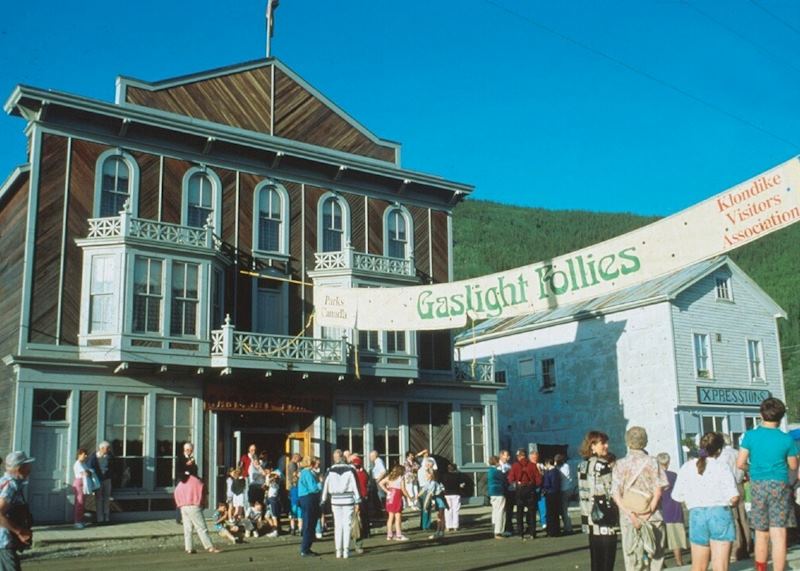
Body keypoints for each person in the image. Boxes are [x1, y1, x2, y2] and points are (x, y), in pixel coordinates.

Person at [736, 397, 799, 571]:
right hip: (779, 484)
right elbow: (793, 465)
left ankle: (761, 568)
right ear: (781, 417)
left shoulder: (750, 436)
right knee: (779, 533)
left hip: (758, 484)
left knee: (761, 532)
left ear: (761, 415)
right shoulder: (786, 439)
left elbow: (740, 463)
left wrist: (754, 468)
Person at [672, 432, 739, 571]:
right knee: (720, 565)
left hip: (697, 514)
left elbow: (677, 496)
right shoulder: (722, 467)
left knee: (698, 566)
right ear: (719, 450)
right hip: (719, 513)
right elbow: (733, 497)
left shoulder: (687, 467)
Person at [612, 426, 667, 571]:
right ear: (646, 442)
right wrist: (649, 511)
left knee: (633, 559)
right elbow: (659, 490)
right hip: (653, 515)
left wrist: (630, 513)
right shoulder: (653, 462)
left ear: (627, 442)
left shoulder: (620, 464)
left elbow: (616, 494)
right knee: (656, 555)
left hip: (629, 517)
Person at [578, 431, 619, 571]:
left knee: (595, 560)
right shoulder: (603, 465)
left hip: (590, 518)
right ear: (593, 446)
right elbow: (611, 491)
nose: (607, 446)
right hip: (604, 517)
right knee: (607, 560)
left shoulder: (581, 466)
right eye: (603, 443)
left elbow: (583, 492)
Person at [322, 451, 361, 559]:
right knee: (347, 525)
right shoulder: (351, 470)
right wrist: (358, 500)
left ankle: (338, 551)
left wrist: (323, 500)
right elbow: (355, 486)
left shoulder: (329, 471)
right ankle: (346, 551)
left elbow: (325, 486)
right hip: (348, 499)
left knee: (337, 525)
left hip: (335, 500)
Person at [173, 466, 221, 555]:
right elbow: (203, 491)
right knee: (201, 527)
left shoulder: (181, 482)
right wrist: (202, 503)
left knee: (187, 529)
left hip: (183, 507)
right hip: (194, 506)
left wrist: (179, 503)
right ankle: (209, 547)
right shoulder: (196, 480)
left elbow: (176, 492)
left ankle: (189, 548)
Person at [0, 451, 35, 571]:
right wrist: (19, 531)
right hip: (3, 542)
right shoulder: (10, 486)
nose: (29, 469)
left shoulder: (7, 482)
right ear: (19, 468)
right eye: (27, 465)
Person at [718, 434, 750, 560]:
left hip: (729, 486)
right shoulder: (737, 452)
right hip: (740, 484)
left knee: (734, 519)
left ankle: (737, 548)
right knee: (743, 518)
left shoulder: (721, 456)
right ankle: (747, 546)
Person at [655, 453, 687, 566]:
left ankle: (661, 563)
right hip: (674, 510)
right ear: (668, 463)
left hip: (659, 510)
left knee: (659, 539)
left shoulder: (655, 477)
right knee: (676, 540)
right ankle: (679, 561)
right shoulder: (674, 476)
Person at [507, 448, 542, 540]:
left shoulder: (515, 465)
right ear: (525, 455)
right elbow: (538, 480)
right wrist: (534, 486)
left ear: (519, 456)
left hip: (520, 490)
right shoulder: (532, 465)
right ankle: (532, 533)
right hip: (530, 490)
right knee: (531, 512)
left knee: (519, 513)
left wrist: (515, 483)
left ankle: (520, 533)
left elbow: (510, 479)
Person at [297, 456, 322, 557]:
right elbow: (313, 488)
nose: (318, 465)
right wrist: (321, 483)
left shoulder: (305, 472)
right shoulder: (307, 473)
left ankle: (306, 547)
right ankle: (305, 548)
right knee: (309, 523)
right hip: (308, 498)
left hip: (306, 499)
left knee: (310, 523)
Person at [379, 464, 411, 541]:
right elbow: (403, 489)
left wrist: (387, 491)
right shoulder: (401, 478)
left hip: (390, 496)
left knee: (390, 517)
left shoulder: (389, 477)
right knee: (398, 517)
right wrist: (409, 497)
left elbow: (380, 483)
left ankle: (389, 535)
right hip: (397, 496)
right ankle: (399, 535)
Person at [88, 441, 113, 525]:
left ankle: (107, 518)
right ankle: (100, 519)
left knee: (107, 498)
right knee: (98, 499)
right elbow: (90, 467)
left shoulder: (110, 456)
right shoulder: (94, 457)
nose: (109, 449)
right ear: (102, 448)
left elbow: (114, 466)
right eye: (107, 448)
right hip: (98, 480)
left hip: (107, 479)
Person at [351, 455, 370, 554]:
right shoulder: (364, 473)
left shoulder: (354, 473)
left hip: (357, 498)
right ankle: (358, 542)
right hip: (361, 497)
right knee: (359, 521)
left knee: (357, 521)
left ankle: (354, 543)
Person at [442, 463, 468, 532]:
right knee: (455, 510)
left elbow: (442, 485)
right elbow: (462, 484)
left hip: (447, 494)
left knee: (448, 510)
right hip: (456, 493)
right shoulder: (458, 475)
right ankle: (455, 526)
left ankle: (448, 526)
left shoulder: (444, 476)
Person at [174, 442, 195, 524]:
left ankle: (187, 518)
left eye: (190, 450)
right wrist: (187, 467)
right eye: (187, 450)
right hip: (181, 481)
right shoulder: (180, 458)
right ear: (184, 450)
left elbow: (194, 470)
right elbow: (178, 470)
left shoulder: (192, 458)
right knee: (181, 500)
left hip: (189, 481)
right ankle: (179, 518)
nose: (189, 451)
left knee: (189, 499)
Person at [72, 448, 93, 529]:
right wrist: (89, 472)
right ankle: (77, 521)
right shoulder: (77, 464)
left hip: (84, 483)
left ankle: (80, 520)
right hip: (79, 483)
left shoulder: (83, 463)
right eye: (84, 454)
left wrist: (89, 472)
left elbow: (89, 472)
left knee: (82, 503)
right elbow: (86, 473)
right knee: (79, 503)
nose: (86, 456)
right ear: (79, 455)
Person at [424, 469, 448, 540]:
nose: (426, 475)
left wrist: (425, 505)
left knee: (440, 516)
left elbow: (429, 495)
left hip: (440, 499)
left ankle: (439, 531)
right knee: (440, 516)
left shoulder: (433, 483)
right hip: (438, 500)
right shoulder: (431, 482)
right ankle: (440, 531)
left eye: (427, 474)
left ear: (431, 475)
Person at [488, 455, 508, 539]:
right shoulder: (497, 471)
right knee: (500, 511)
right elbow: (504, 479)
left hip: (492, 492)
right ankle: (498, 531)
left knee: (495, 510)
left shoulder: (490, 470)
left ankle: (494, 526)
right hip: (499, 491)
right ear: (496, 462)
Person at [542, 457, 561, 537]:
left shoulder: (549, 472)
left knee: (550, 513)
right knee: (555, 513)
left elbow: (547, 483)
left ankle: (550, 531)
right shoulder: (557, 471)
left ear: (547, 463)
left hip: (550, 494)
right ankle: (556, 530)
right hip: (556, 493)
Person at [556, 453, 576, 534]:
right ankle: (567, 527)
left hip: (563, 490)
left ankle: (568, 528)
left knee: (564, 510)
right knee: (564, 509)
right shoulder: (567, 466)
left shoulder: (560, 468)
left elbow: (560, 477)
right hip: (568, 488)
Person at [499, 449, 515, 537]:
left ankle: (509, 527)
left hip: (511, 490)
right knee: (503, 510)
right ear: (501, 456)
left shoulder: (509, 465)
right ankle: (502, 527)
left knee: (509, 510)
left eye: (508, 455)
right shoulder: (499, 466)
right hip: (504, 490)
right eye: (506, 455)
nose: (508, 457)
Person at [369, 450, 387, 515]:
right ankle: (380, 512)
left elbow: (384, 471)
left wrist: (377, 480)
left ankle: (384, 512)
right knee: (378, 497)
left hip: (379, 482)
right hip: (377, 481)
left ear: (374, 456)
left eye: (371, 456)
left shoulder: (378, 461)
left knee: (381, 496)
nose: (369, 458)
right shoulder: (376, 462)